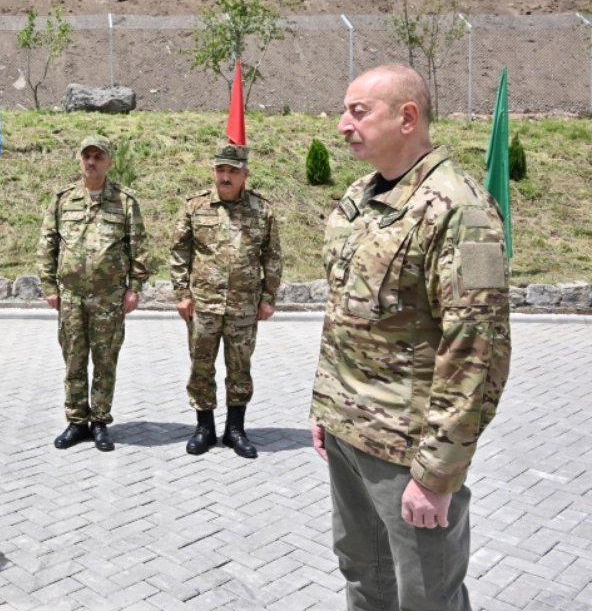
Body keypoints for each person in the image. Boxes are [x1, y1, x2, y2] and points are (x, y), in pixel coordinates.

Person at [311, 64, 511, 610]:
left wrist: (439, 472)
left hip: (408, 451)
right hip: (350, 432)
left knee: (427, 597)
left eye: (358, 112)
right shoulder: (362, 195)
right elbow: (344, 313)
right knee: (363, 578)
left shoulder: (461, 210)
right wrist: (326, 407)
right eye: (344, 111)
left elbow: (477, 348)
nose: (342, 125)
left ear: (407, 117)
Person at [37, 134, 149, 452]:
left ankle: (99, 422)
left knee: (104, 361)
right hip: (71, 297)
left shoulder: (125, 202)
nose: (91, 162)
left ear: (109, 162)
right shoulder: (62, 200)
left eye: (98, 156)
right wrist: (49, 287)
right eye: (86, 156)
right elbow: (47, 246)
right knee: (73, 361)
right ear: (80, 160)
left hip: (109, 298)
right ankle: (76, 422)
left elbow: (139, 248)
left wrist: (135, 288)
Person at [170, 142, 281, 458]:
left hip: (244, 307)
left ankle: (235, 430)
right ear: (213, 171)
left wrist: (268, 297)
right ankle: (204, 429)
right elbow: (179, 250)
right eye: (221, 170)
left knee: (240, 368)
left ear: (245, 174)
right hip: (203, 304)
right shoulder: (195, 207)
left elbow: (272, 256)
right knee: (200, 367)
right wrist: (181, 293)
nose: (226, 176)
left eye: (233, 171)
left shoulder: (262, 210)